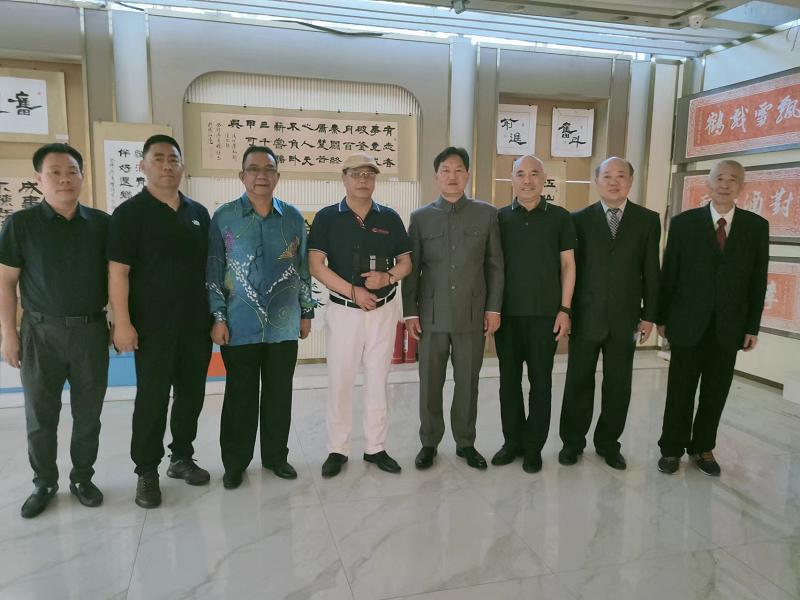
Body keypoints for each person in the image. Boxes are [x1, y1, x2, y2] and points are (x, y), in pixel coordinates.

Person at [0, 143, 109, 518]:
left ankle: (82, 478)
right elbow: (5, 283)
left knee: (88, 414)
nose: (65, 179)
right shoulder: (20, 225)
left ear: (82, 176)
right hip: (40, 333)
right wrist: (8, 334)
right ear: (39, 179)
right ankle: (44, 482)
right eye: (55, 172)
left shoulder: (102, 224)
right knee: (40, 416)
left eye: (72, 172)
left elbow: (117, 277)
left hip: (90, 332)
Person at [108, 134, 212, 508]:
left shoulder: (198, 213)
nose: (167, 165)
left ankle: (181, 456)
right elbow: (118, 272)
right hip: (151, 327)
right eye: (158, 158)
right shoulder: (129, 214)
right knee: (152, 399)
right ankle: (147, 470)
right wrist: (122, 323)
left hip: (195, 324)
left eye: (173, 159)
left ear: (183, 166)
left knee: (191, 395)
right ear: (143, 166)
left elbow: (211, 270)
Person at [207, 146, 316, 490]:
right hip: (238, 324)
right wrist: (218, 317)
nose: (261, 176)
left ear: (277, 176)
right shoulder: (224, 217)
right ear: (242, 176)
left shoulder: (293, 218)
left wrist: (306, 312)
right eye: (253, 169)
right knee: (240, 396)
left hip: (284, 323)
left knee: (279, 394)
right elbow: (214, 270)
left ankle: (276, 457)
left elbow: (302, 268)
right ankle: (235, 463)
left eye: (268, 169)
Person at [656, 160, 768, 476]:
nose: (725, 184)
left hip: (729, 327)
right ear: (708, 183)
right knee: (680, 390)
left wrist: (752, 326)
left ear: (741, 187)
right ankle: (671, 449)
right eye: (719, 178)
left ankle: (703, 447)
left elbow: (758, 280)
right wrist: (662, 317)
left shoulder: (756, 227)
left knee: (716, 392)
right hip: (686, 323)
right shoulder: (684, 224)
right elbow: (669, 274)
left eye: (733, 179)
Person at [308, 152, 411, 478]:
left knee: (379, 379)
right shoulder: (327, 217)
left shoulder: (389, 217)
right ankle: (337, 449)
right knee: (340, 380)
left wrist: (388, 277)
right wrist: (353, 292)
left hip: (383, 311)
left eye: (369, 174)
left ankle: (375, 447)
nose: (363, 180)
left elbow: (406, 262)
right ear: (344, 178)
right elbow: (316, 266)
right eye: (356, 174)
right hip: (345, 312)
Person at [403, 146, 504, 471]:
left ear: (467, 175)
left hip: (471, 315)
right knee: (429, 382)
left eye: (458, 170)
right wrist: (410, 312)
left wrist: (493, 309)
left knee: (468, 383)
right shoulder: (420, 218)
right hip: (431, 316)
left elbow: (495, 266)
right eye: (445, 170)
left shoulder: (487, 214)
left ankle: (466, 442)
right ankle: (429, 442)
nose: (452, 176)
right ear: (436, 176)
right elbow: (412, 269)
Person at [558, 157, 660, 471]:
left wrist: (649, 315)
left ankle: (608, 444)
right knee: (578, 381)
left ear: (631, 181)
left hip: (625, 317)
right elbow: (569, 270)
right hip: (586, 315)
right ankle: (572, 443)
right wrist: (566, 311)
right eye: (607, 176)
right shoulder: (578, 219)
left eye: (621, 176)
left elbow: (651, 271)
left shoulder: (647, 220)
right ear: (597, 181)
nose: (614, 182)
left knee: (618, 384)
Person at [492, 155, 576, 473]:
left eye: (534, 174)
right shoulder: (498, 218)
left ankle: (533, 447)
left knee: (541, 383)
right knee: (508, 382)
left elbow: (568, 266)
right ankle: (512, 442)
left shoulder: (560, 218)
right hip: (507, 317)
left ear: (544, 179)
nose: (527, 180)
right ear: (512, 179)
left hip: (545, 317)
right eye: (521, 174)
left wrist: (565, 309)